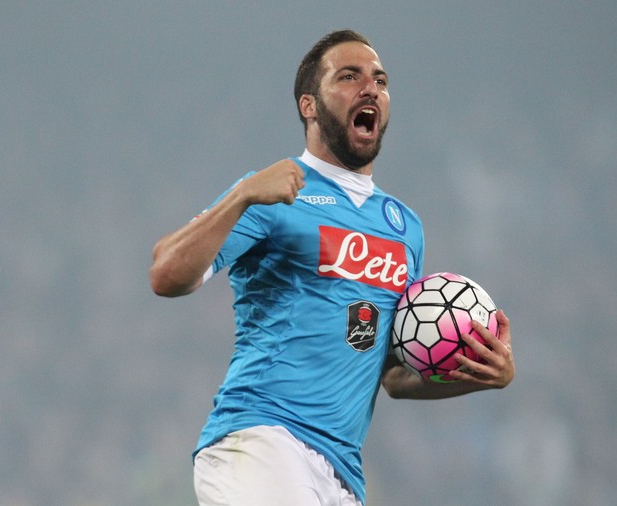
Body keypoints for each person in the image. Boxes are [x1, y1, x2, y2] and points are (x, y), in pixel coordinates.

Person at [150, 29, 515, 506]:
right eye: (349, 76)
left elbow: (391, 376)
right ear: (309, 105)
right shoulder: (274, 191)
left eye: (380, 81)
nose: (371, 89)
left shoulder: (405, 228)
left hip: (341, 472)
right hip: (263, 439)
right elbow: (165, 274)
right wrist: (241, 196)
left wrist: (481, 372)